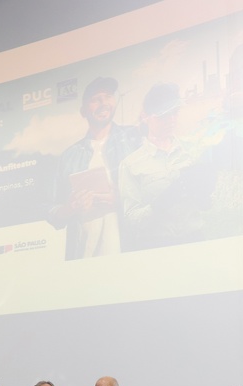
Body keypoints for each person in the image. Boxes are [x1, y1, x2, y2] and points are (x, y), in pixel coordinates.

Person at [47, 76, 142, 259]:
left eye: (107, 96)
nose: (103, 103)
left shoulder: (134, 139)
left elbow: (155, 191)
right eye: (95, 99)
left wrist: (122, 201)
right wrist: (70, 207)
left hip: (130, 257)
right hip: (84, 261)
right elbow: (50, 208)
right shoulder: (69, 156)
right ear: (83, 111)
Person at [119, 82, 214, 251]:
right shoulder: (130, 164)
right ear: (145, 116)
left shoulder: (192, 152)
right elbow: (131, 220)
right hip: (156, 248)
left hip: (196, 242)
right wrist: (160, 204)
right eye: (163, 115)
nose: (171, 120)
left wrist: (204, 196)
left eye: (174, 113)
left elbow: (207, 206)